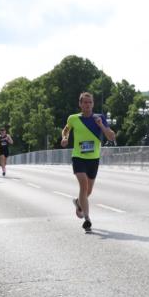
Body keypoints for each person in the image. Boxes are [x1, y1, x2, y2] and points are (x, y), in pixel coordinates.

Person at [61, 92, 116, 232]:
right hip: (78, 157)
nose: (87, 105)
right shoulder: (73, 118)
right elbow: (66, 130)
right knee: (84, 186)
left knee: (88, 191)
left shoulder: (100, 118)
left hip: (94, 159)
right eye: (84, 102)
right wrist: (65, 138)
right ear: (80, 104)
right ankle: (87, 219)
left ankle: (78, 202)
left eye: (90, 102)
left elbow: (111, 137)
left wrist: (101, 126)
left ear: (93, 104)